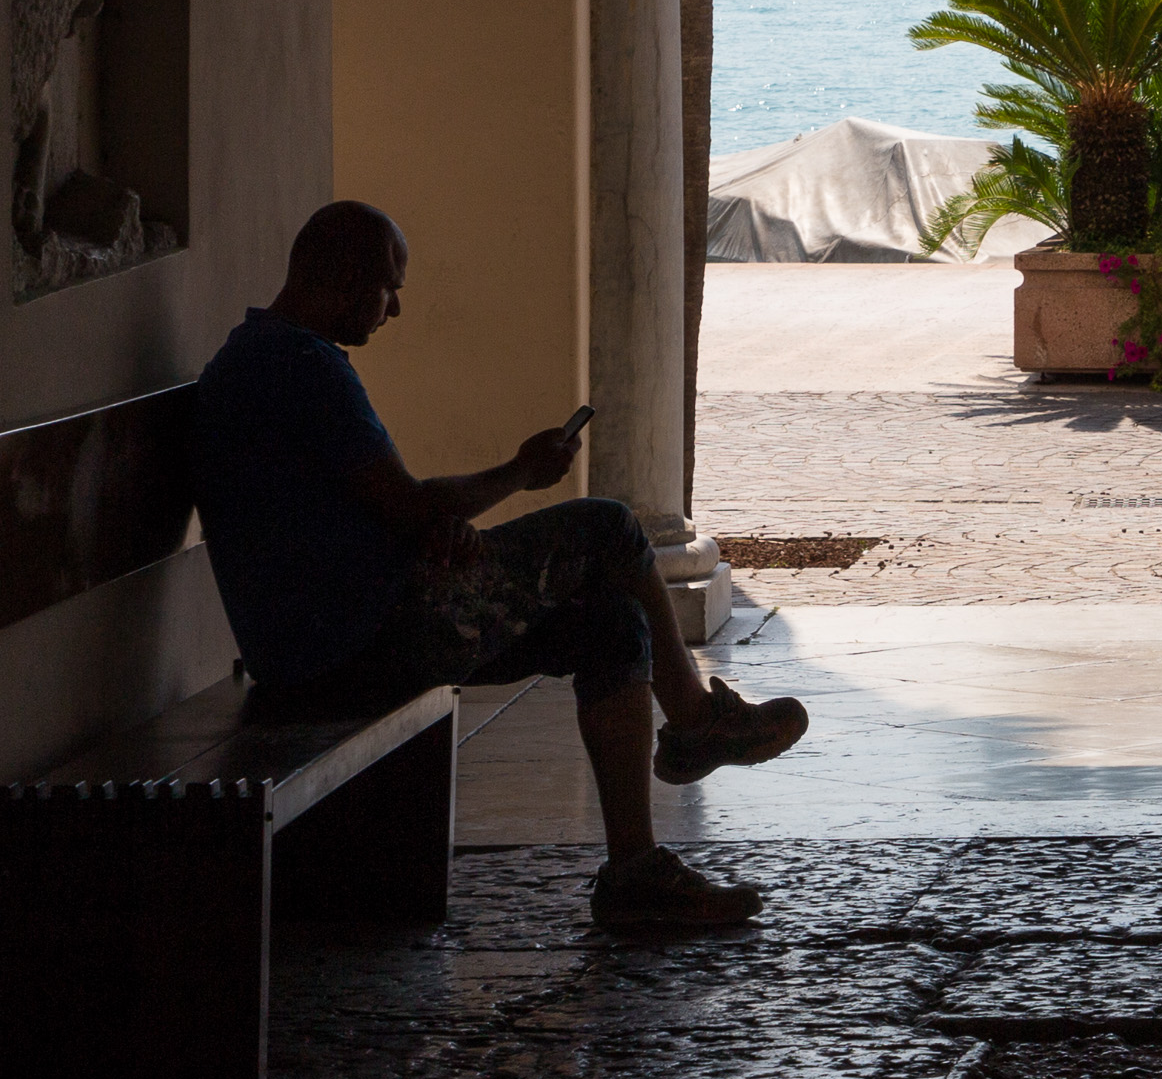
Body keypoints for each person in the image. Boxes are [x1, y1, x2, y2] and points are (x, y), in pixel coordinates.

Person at [191, 200, 810, 929]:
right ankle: (696, 725)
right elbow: (408, 505)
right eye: (390, 287)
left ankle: (635, 872)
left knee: (611, 626)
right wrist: (520, 471)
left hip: (326, 636)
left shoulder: (259, 356)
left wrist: (428, 535)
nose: (394, 310)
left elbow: (353, 513)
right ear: (347, 276)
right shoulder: (299, 365)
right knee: (607, 527)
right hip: (348, 649)